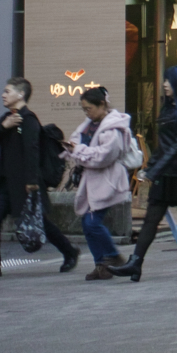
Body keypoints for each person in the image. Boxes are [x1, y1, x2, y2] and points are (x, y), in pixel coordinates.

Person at [108, 65, 177, 280]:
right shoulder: (170, 106)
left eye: (169, 81)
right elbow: (165, 145)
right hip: (169, 173)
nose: (164, 84)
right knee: (152, 218)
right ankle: (136, 262)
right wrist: (151, 168)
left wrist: (154, 170)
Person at [0, 76, 79, 275]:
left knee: (40, 223)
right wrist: (4, 127)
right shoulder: (7, 119)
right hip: (5, 184)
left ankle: (69, 252)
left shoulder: (29, 120)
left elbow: (33, 151)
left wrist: (33, 181)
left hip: (26, 184)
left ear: (21, 94)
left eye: (7, 91)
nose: (3, 95)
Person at [65, 86, 135, 278]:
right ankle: (102, 265)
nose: (87, 112)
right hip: (94, 181)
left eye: (89, 108)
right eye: (84, 109)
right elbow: (79, 145)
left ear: (102, 104)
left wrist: (77, 151)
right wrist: (72, 149)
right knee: (88, 224)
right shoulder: (90, 123)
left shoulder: (113, 127)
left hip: (107, 180)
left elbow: (104, 156)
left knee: (92, 222)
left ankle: (112, 257)